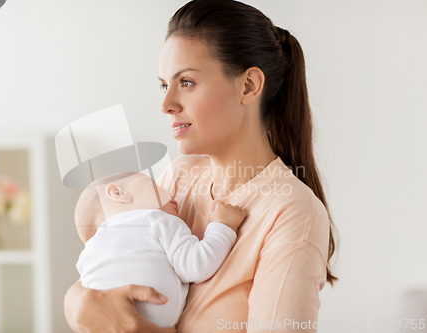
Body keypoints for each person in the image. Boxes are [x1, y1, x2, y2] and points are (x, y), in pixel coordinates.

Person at [64, 0, 339, 332]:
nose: (166, 105)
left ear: (249, 86)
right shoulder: (179, 177)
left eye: (187, 83)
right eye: (165, 85)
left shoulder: (291, 211)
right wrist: (77, 302)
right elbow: (106, 270)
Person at [74, 171, 247, 328]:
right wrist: (223, 225)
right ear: (118, 193)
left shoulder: (87, 255)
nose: (169, 191)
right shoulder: (155, 220)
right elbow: (196, 265)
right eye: (153, 184)